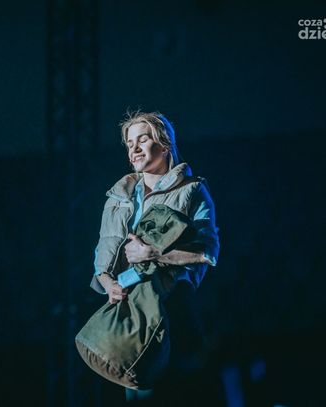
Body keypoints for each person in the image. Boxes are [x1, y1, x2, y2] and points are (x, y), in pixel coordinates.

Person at [91, 111, 220, 403]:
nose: (134, 148)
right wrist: (108, 283)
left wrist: (154, 253)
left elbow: (208, 252)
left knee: (178, 392)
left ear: (164, 145)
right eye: (129, 143)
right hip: (130, 308)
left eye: (143, 139)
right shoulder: (117, 196)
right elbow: (102, 251)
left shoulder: (192, 190)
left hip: (173, 304)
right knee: (138, 394)